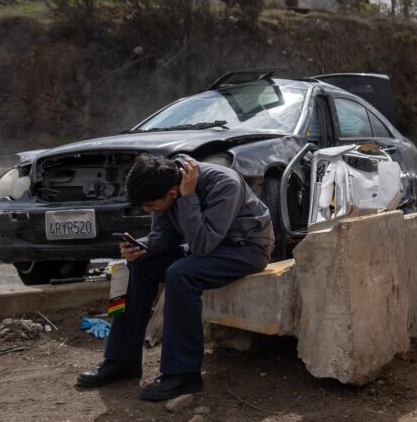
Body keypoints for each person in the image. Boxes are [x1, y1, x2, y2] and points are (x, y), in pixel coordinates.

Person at [75, 154, 273, 401]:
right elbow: (165, 234)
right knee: (136, 266)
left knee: (181, 273)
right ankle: (122, 360)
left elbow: (202, 245)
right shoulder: (164, 180)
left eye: (151, 206)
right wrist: (142, 246)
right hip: (209, 248)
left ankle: (184, 374)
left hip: (246, 249)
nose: (148, 211)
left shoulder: (224, 184)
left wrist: (189, 197)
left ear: (172, 192)